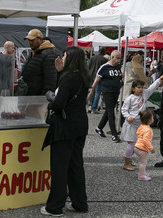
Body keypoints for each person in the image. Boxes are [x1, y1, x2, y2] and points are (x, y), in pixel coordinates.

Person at [41, 47, 89, 216]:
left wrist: (50, 105)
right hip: (80, 124)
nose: (62, 57)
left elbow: (59, 101)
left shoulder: (69, 78)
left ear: (71, 58)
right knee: (76, 165)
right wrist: (60, 72)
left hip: (65, 125)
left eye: (65, 55)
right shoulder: (83, 76)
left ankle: (54, 206)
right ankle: (79, 202)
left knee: (60, 167)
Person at [120, 70, 163, 171]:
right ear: (133, 89)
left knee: (136, 143)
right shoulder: (130, 98)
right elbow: (124, 109)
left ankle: (128, 158)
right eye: (138, 87)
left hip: (139, 125)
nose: (140, 89)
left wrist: (159, 79)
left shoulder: (145, 94)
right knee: (132, 144)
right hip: (131, 125)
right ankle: (126, 162)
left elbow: (152, 87)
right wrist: (128, 117)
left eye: (142, 87)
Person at [88, 50, 122, 141]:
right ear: (112, 57)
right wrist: (92, 91)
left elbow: (119, 77)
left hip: (116, 91)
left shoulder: (118, 67)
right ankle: (114, 134)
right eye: (117, 58)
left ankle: (99, 128)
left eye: (120, 58)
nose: (119, 60)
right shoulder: (104, 67)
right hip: (107, 92)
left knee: (108, 110)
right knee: (111, 112)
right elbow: (96, 80)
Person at [21, 29, 58, 97]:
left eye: (32, 40)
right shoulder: (34, 52)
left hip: (38, 97)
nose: (30, 43)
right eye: (29, 40)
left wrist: (43, 98)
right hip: (30, 95)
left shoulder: (48, 54)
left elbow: (50, 79)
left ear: (40, 39)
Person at [134, 109, 155, 181]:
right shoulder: (148, 130)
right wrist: (151, 148)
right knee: (143, 162)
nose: (153, 119)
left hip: (137, 146)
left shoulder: (142, 126)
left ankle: (142, 172)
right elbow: (146, 140)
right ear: (149, 120)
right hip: (142, 148)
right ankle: (141, 175)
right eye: (152, 118)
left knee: (142, 161)